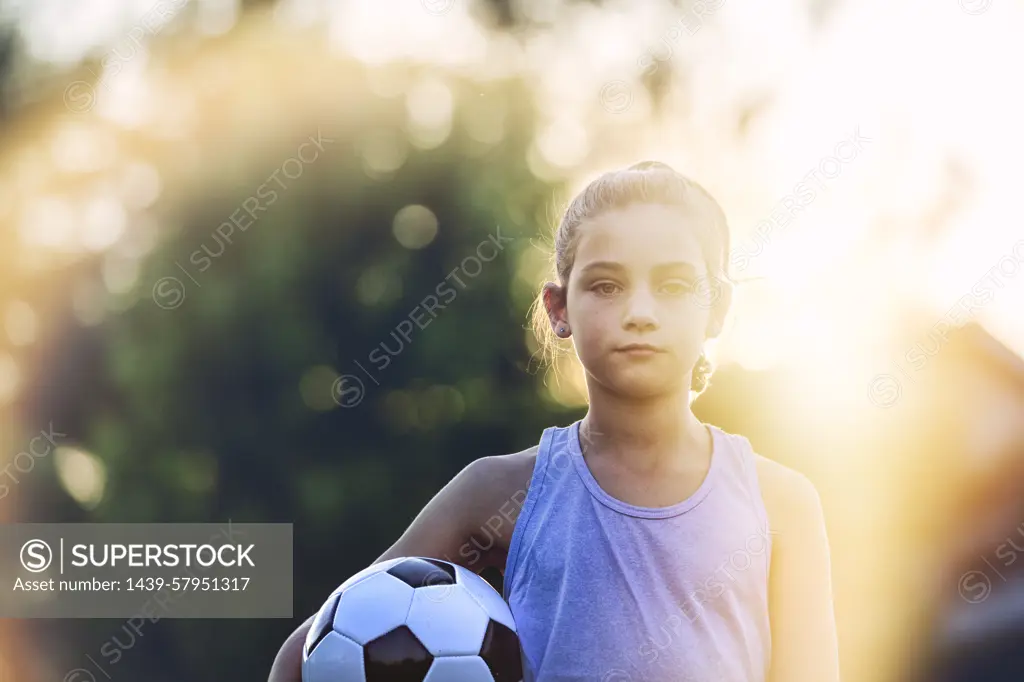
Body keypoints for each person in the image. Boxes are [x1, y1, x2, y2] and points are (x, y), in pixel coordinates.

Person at [268, 161, 841, 682]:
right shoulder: (500, 492)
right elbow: (305, 659)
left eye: (672, 285)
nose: (640, 312)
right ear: (559, 308)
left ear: (717, 309)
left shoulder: (781, 502)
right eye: (607, 285)